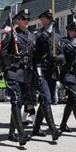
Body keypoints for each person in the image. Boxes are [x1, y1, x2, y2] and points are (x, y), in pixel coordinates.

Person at [0, 9, 34, 146]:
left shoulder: (31, 36)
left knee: (19, 104)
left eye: (28, 19)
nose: (26, 21)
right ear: (18, 20)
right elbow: (2, 55)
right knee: (15, 101)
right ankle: (21, 134)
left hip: (26, 74)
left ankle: (11, 133)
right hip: (14, 72)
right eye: (23, 19)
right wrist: (13, 57)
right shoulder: (11, 35)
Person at [31, 9, 62, 141]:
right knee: (46, 97)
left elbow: (62, 54)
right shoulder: (38, 34)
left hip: (52, 71)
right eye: (43, 17)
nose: (42, 20)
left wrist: (59, 59)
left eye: (44, 18)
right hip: (41, 70)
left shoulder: (57, 36)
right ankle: (53, 129)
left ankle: (36, 128)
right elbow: (33, 53)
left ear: (48, 19)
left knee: (45, 100)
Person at [58, 21, 76, 138]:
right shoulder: (65, 42)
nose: (73, 32)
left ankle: (63, 125)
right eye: (71, 30)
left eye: (75, 30)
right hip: (68, 75)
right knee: (75, 99)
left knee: (71, 101)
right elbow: (63, 53)